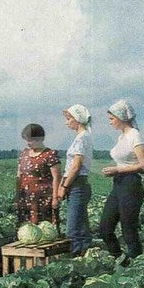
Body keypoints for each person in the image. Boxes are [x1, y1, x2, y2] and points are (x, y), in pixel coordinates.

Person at [97, 100, 144, 265]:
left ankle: (138, 266)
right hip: (118, 185)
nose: (110, 122)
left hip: (131, 185)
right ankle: (120, 259)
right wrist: (115, 171)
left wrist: (117, 170)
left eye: (111, 118)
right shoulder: (122, 137)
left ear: (121, 117)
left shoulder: (134, 135)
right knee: (105, 228)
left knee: (129, 230)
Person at [57, 105, 93, 256]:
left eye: (69, 118)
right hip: (77, 183)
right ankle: (85, 258)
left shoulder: (82, 137)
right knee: (82, 226)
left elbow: (76, 166)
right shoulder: (82, 137)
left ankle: (75, 259)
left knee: (73, 229)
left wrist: (64, 186)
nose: (67, 122)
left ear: (78, 119)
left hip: (77, 184)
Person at [13, 124, 61, 228]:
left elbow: (56, 178)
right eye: (26, 140)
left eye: (31, 140)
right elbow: (19, 176)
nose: (28, 143)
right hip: (25, 197)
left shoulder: (50, 154)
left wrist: (55, 198)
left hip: (44, 199)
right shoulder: (24, 154)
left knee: (44, 227)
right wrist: (17, 196)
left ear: (41, 138)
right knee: (26, 228)